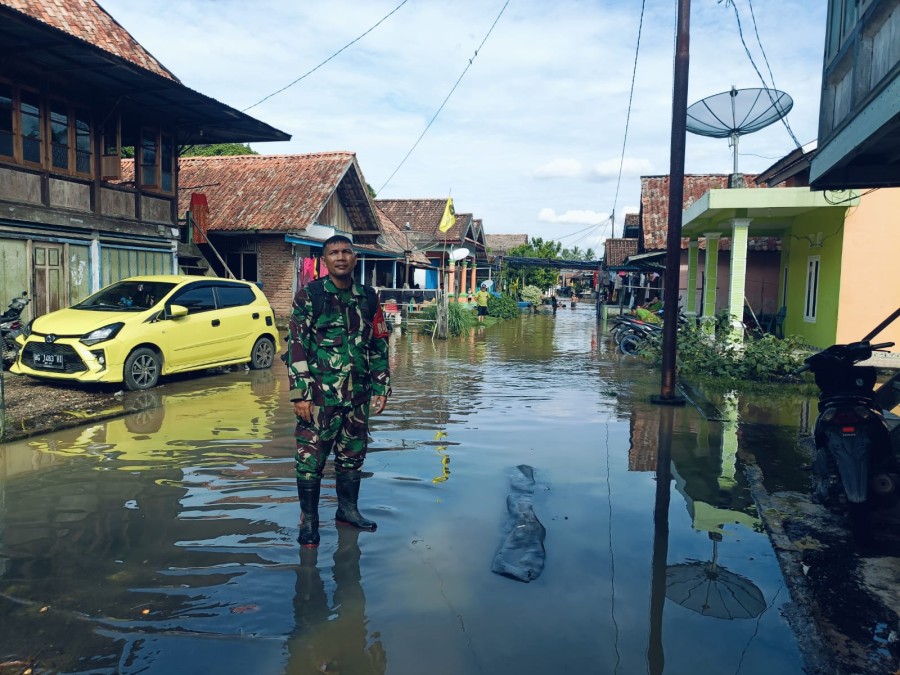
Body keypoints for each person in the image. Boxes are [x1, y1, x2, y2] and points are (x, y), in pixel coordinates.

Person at [286, 235, 391, 548]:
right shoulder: (311, 295)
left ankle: (348, 512)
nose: (341, 257)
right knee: (311, 461)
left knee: (352, 457)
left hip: (357, 398)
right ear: (324, 259)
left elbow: (378, 343)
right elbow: (296, 345)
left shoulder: (368, 297)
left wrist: (381, 385)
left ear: (355, 258)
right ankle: (309, 521)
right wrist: (300, 393)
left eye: (347, 251)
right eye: (334, 252)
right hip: (319, 399)